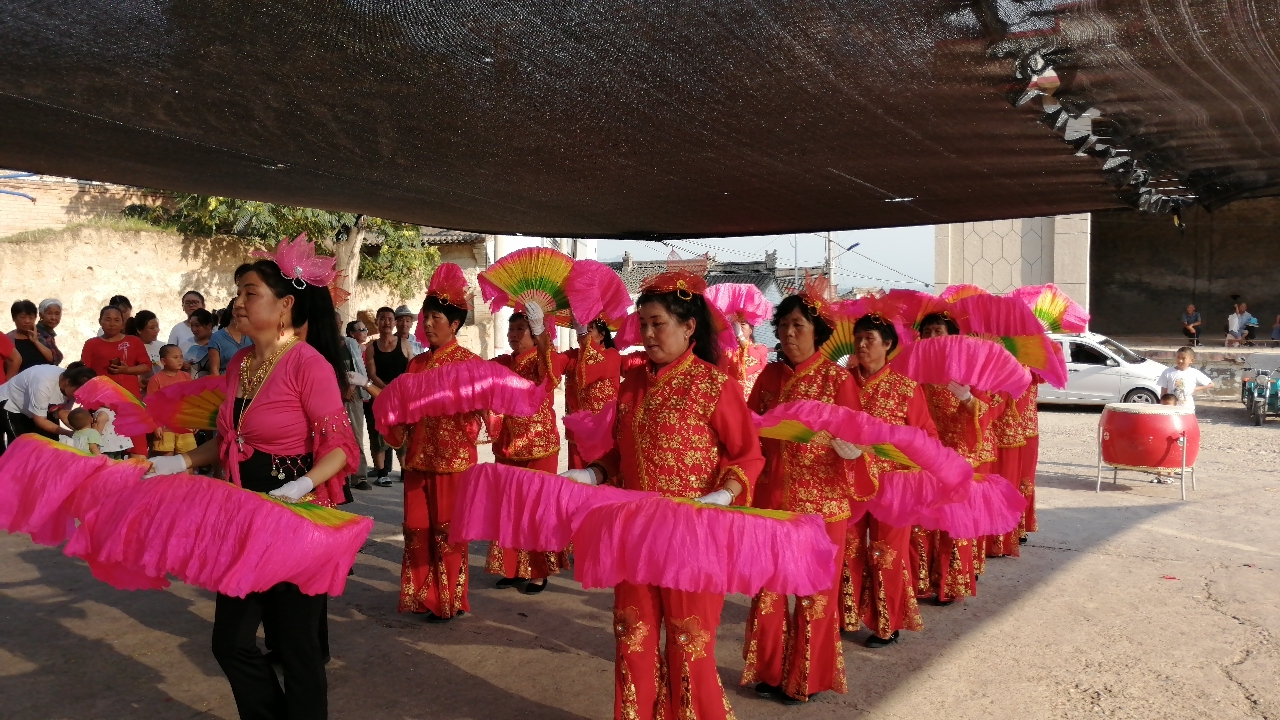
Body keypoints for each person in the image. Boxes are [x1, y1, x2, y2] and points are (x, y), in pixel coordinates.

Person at [146, 245, 358, 720]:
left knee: (298, 646)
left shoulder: (308, 364)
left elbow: (342, 445)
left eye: (250, 292)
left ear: (285, 305)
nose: (238, 302)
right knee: (231, 642)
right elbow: (226, 440)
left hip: (293, 512)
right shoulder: (241, 364)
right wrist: (178, 463)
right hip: (243, 513)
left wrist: (301, 487)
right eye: (238, 292)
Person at [560, 270, 764, 720]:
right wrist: (594, 473)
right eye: (644, 324)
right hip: (636, 532)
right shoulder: (632, 384)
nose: (648, 334)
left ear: (688, 327)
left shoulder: (715, 386)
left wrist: (726, 495)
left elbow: (747, 455)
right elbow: (620, 450)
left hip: (695, 536)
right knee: (632, 634)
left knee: (690, 643)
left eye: (658, 324)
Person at [740, 290, 862, 705]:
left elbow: (859, 442)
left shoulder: (838, 380)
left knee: (814, 598)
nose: (789, 334)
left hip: (824, 507)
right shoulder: (769, 378)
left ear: (818, 333)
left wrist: (852, 453)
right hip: (773, 501)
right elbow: (747, 434)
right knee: (769, 591)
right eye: (784, 325)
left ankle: (804, 679)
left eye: (799, 326)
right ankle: (771, 671)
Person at [383, 263, 482, 622]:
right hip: (417, 459)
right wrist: (392, 426)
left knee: (449, 533)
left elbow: (487, 414)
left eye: (435, 317)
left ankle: (451, 600)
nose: (426, 324)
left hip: (453, 461)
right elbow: (403, 413)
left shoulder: (470, 364)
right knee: (416, 530)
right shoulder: (416, 365)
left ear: (454, 324)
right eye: (426, 317)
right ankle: (423, 596)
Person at [841, 313, 936, 648]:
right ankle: (847, 614)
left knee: (886, 553)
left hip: (893, 486)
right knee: (847, 548)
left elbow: (926, 439)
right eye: (859, 338)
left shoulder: (905, 387)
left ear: (888, 345)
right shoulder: (841, 382)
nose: (862, 345)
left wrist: (884, 450)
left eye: (870, 338)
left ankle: (886, 623)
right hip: (848, 482)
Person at [914, 312, 996, 605]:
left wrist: (968, 399)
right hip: (927, 453)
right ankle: (922, 579)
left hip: (962, 452)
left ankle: (950, 583)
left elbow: (988, 411)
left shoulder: (970, 366)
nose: (932, 337)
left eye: (938, 331)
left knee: (952, 520)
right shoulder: (914, 369)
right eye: (927, 332)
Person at [487, 306, 569, 594]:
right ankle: (512, 568)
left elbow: (552, 374)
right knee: (509, 509)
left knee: (537, 510)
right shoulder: (503, 363)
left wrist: (541, 331)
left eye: (520, 330)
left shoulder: (543, 360)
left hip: (539, 445)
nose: (513, 335)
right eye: (511, 330)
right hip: (508, 446)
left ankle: (537, 572)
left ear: (534, 335)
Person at [80, 306, 152, 458]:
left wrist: (126, 371)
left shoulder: (134, 341)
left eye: (116, 320)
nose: (112, 323)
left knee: (138, 450)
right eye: (107, 319)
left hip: (131, 403)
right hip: (103, 404)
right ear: (100, 321)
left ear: (123, 323)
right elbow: (85, 374)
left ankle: (136, 480)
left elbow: (146, 366)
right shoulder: (91, 344)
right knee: (104, 449)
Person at [563, 317, 621, 469]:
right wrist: (541, 333)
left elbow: (595, 366)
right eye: (581, 331)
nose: (583, 336)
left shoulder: (612, 355)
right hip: (577, 434)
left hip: (602, 434)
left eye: (589, 331)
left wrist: (583, 337)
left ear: (602, 335)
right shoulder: (573, 356)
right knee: (577, 484)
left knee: (602, 480)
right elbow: (552, 364)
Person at [0, 363, 96, 451]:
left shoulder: (72, 386)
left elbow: (63, 413)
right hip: (12, 406)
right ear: (68, 382)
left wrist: (82, 431)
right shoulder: (43, 382)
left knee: (50, 445)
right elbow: (40, 420)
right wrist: (69, 433)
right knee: (23, 447)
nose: (77, 397)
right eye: (77, 393)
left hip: (37, 411)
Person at [365, 306, 412, 486]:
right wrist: (387, 390)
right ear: (376, 322)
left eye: (390, 319)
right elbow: (372, 374)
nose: (386, 322)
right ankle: (382, 473)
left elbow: (411, 369)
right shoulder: (372, 348)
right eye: (382, 318)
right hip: (380, 397)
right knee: (379, 435)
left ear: (395, 322)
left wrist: (399, 389)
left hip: (401, 398)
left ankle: (405, 471)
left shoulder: (404, 344)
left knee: (403, 434)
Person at [147, 344, 197, 458]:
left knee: (187, 460)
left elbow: (192, 400)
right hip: (165, 426)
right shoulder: (156, 379)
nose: (179, 360)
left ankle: (186, 477)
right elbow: (151, 406)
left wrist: (195, 420)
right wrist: (156, 426)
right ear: (163, 361)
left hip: (184, 424)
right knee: (167, 459)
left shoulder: (186, 377)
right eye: (175, 357)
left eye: (181, 357)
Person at [341, 317, 372, 491]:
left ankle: (359, 476)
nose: (365, 333)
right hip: (333, 394)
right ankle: (342, 476)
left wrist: (351, 386)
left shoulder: (351, 345)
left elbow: (358, 368)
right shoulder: (326, 345)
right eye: (361, 330)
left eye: (365, 330)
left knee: (356, 436)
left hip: (354, 396)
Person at [728, 316, 770, 399]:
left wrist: (740, 336)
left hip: (750, 398)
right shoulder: (728, 351)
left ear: (751, 330)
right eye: (736, 325)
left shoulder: (760, 348)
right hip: (731, 396)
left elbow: (751, 360)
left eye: (743, 324)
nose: (739, 327)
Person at [8, 300, 56, 372]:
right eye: (23, 317)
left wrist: (36, 342)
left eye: (31, 317)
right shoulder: (8, 339)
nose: (27, 321)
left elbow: (53, 359)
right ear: (14, 318)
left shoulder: (44, 336)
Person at [208, 309, 254, 376]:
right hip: (226, 382)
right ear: (234, 313)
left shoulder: (251, 335)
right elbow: (214, 371)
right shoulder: (217, 337)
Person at [131, 310, 166, 378]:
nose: (156, 330)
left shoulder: (162, 346)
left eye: (157, 326)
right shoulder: (131, 348)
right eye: (152, 328)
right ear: (139, 330)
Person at [184, 309, 217, 378]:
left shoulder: (218, 343)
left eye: (197, 325)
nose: (194, 329)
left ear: (209, 326)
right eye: (192, 325)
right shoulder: (185, 344)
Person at [36, 299, 64, 366]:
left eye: (57, 314)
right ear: (41, 315)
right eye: (49, 313)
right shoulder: (38, 334)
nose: (53, 318)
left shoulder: (49, 333)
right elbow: (54, 359)